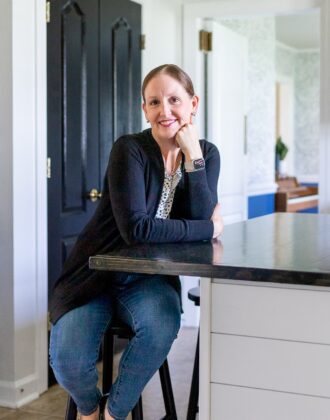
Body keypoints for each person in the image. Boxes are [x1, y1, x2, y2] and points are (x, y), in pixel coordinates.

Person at [49, 64, 223, 420]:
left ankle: (114, 413)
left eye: (174, 100)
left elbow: (201, 209)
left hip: (149, 279)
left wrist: (194, 158)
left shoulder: (206, 154)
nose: (165, 111)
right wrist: (208, 227)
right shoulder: (128, 150)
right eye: (154, 102)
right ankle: (88, 410)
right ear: (144, 108)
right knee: (66, 359)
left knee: (161, 329)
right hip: (94, 275)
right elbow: (137, 230)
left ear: (193, 103)